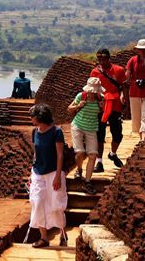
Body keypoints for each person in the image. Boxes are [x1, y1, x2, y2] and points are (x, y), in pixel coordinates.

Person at [28, 104, 68, 248]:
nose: (31, 119)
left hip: (53, 172)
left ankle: (63, 233)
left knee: (56, 204)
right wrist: (31, 173)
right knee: (37, 202)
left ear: (39, 118)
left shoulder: (56, 132)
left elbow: (60, 155)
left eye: (32, 117)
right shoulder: (35, 131)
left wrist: (58, 176)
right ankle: (44, 237)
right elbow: (36, 153)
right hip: (38, 172)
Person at [90, 49, 127, 172]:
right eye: (99, 59)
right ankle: (99, 162)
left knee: (117, 134)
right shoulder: (95, 72)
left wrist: (124, 98)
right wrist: (97, 101)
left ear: (109, 58)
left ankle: (113, 153)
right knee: (100, 135)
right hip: (101, 106)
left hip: (115, 104)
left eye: (104, 59)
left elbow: (124, 86)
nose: (101, 61)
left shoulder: (119, 70)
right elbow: (92, 89)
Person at [68, 78, 104, 195]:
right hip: (78, 125)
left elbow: (104, 113)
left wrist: (102, 107)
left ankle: (87, 181)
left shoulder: (101, 99)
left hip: (92, 128)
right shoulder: (81, 96)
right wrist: (78, 106)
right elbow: (69, 109)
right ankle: (79, 169)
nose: (92, 93)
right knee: (80, 152)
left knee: (93, 155)